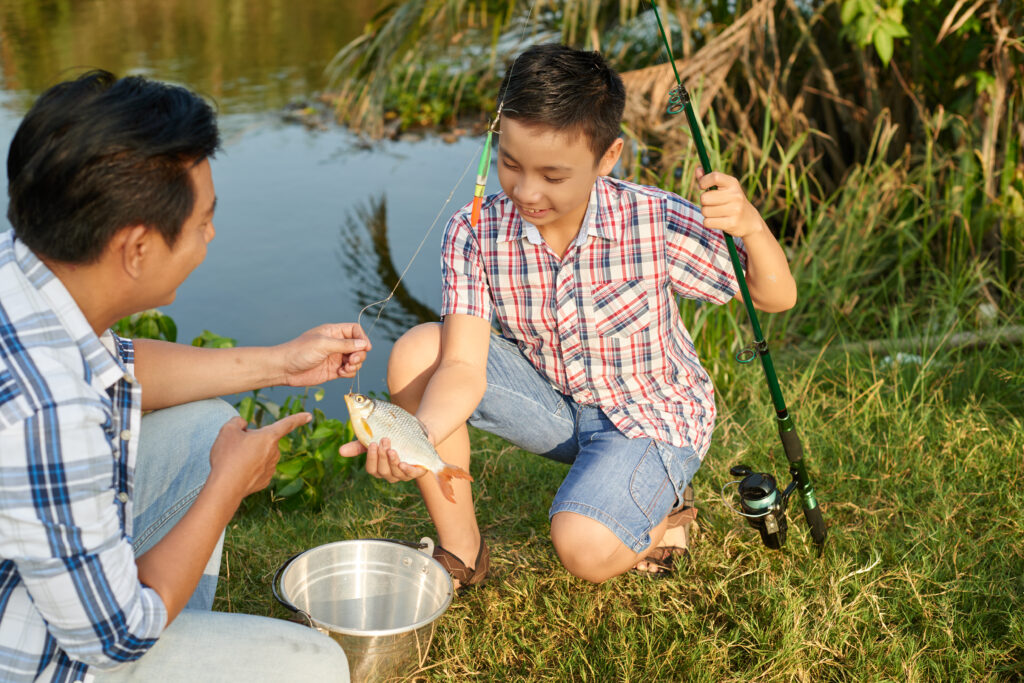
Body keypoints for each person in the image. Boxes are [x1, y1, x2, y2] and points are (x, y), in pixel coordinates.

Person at [341, 44, 797, 587]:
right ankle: (463, 551)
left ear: (608, 158)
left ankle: (664, 515)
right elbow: (462, 366)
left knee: (581, 549)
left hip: (651, 418)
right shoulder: (473, 230)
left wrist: (750, 226)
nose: (526, 192)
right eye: (509, 164)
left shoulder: (653, 219)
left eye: (553, 176)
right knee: (419, 349)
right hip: (557, 405)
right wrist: (420, 438)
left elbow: (775, 297)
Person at [0, 70, 367, 682]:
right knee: (315, 667)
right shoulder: (47, 411)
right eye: (202, 223)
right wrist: (227, 485)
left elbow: (118, 363)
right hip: (38, 659)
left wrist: (281, 361)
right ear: (137, 248)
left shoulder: (23, 267)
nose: (211, 237)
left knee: (204, 429)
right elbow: (115, 638)